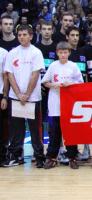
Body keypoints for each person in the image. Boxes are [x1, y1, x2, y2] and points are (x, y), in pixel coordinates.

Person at [3, 25, 45, 168]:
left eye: (24, 34)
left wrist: (27, 94)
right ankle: (15, 156)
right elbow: (9, 74)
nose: (22, 37)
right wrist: (18, 94)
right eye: (19, 34)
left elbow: (35, 74)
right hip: (15, 98)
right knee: (16, 130)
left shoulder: (36, 52)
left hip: (33, 98)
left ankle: (39, 157)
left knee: (35, 129)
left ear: (31, 36)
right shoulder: (12, 53)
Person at [41, 41, 83, 169]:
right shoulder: (53, 66)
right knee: (54, 133)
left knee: (70, 133)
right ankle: (52, 157)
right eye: (61, 52)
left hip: (69, 105)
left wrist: (70, 84)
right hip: (55, 105)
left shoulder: (74, 66)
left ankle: (72, 157)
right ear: (57, 53)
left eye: (65, 52)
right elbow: (45, 82)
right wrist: (54, 85)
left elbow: (80, 83)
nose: (63, 55)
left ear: (69, 53)